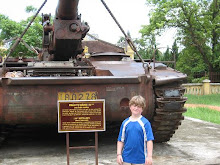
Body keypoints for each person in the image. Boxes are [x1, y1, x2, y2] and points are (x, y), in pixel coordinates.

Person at [117, 95, 154, 165]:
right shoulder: (125, 123)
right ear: (130, 106)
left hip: (141, 159)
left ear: (142, 109)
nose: (136, 108)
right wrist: (119, 154)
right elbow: (120, 140)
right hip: (126, 158)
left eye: (139, 106)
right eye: (134, 106)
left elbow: (149, 140)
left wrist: (149, 156)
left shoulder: (145, 123)